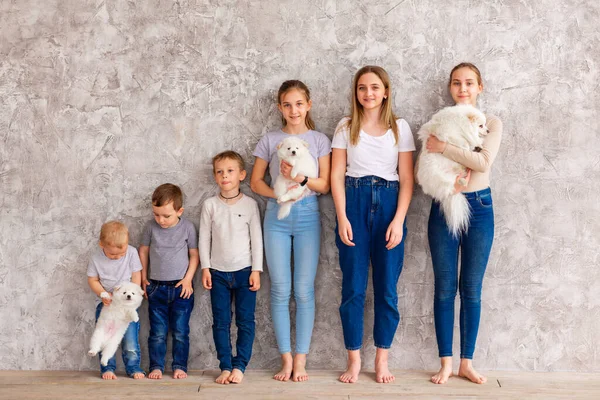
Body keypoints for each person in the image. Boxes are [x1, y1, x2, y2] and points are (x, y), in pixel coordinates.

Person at [331, 65, 415, 384]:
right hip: (353, 201)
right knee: (353, 288)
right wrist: (342, 217)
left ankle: (382, 359)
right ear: (356, 92)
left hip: (390, 204)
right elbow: (338, 175)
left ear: (386, 91)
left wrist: (398, 220)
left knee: (387, 289)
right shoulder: (345, 126)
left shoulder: (400, 127)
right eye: (362, 87)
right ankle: (354, 359)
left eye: (375, 87)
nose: (368, 93)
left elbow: (407, 179)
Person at [424, 62, 503, 385]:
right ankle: (445, 363)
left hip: (480, 206)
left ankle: (466, 362)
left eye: (469, 83)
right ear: (450, 88)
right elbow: (429, 165)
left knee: (471, 288)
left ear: (480, 87)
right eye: (457, 83)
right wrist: (452, 152)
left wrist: (445, 147)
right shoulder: (439, 122)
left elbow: (483, 161)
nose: (463, 89)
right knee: (444, 288)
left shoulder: (492, 123)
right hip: (444, 204)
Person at [250, 80, 331, 382]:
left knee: (304, 290)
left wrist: (299, 181)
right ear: (279, 107)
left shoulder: (320, 140)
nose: (293, 110)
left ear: (308, 105)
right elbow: (256, 182)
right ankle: (285, 360)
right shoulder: (270, 140)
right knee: (281, 289)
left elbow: (324, 185)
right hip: (276, 217)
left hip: (308, 214)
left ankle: (301, 360)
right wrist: (281, 195)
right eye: (287, 104)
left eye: (299, 104)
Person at [199, 150, 263, 385]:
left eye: (230, 171)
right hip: (217, 273)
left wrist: (257, 270)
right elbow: (204, 238)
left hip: (245, 271)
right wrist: (205, 268)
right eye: (219, 172)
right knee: (221, 321)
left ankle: (240, 365)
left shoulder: (250, 205)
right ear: (215, 176)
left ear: (242, 175)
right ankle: (225, 365)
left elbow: (256, 239)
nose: (224, 176)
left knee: (245, 320)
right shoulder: (209, 205)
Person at [139, 183, 199, 380]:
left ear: (179, 211)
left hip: (181, 287)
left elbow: (194, 255)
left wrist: (188, 279)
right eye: (157, 214)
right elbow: (144, 251)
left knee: (181, 331)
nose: (161, 220)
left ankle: (179, 365)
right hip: (155, 286)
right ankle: (156, 366)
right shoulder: (150, 227)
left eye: (166, 216)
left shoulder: (188, 227)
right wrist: (143, 278)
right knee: (157, 332)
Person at [87, 221, 145, 380]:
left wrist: (133, 298)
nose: (118, 256)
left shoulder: (132, 253)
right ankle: (107, 368)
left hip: (126, 306)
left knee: (130, 339)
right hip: (107, 305)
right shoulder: (96, 259)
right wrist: (103, 294)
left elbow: (136, 276)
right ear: (102, 245)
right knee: (104, 336)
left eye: (121, 252)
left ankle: (133, 367)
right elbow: (92, 279)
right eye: (113, 254)